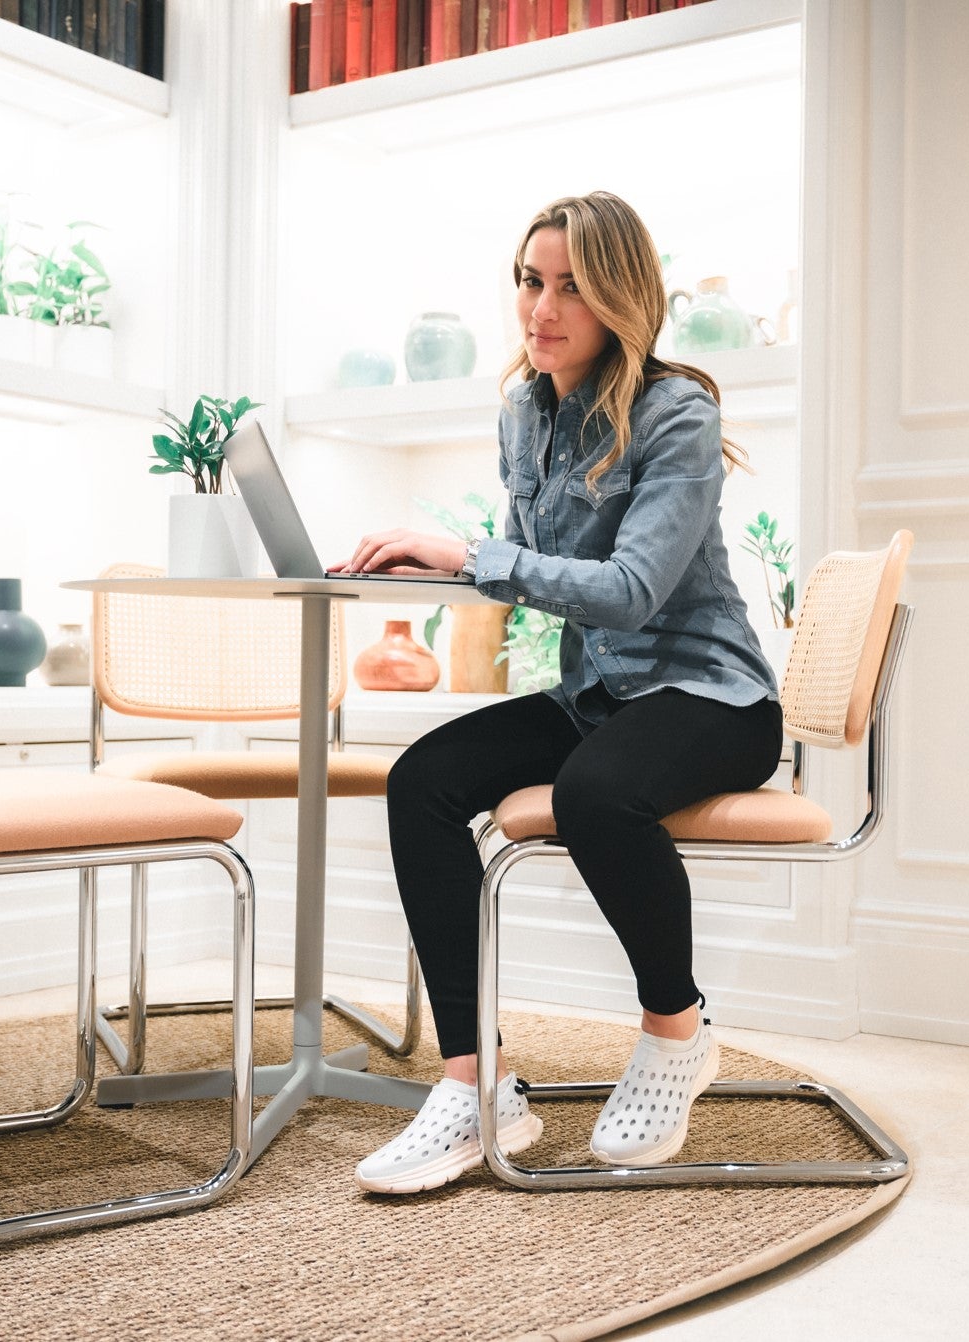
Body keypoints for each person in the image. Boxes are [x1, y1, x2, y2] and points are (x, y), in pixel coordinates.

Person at [330, 192, 782, 1195]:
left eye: (572, 285)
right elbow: (531, 568)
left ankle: (676, 1033)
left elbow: (627, 594)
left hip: (712, 698)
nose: (542, 306)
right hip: (601, 696)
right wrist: (433, 568)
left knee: (594, 792)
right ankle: (476, 1081)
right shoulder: (523, 414)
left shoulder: (678, 414)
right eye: (531, 281)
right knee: (423, 781)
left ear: (623, 297)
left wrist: (478, 555)